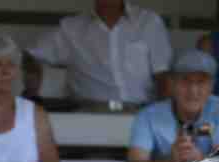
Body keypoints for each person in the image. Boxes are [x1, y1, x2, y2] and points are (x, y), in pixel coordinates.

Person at [23, 0, 173, 112]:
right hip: (89, 115)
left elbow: (163, 76)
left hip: (142, 114)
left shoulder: (148, 22)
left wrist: (161, 118)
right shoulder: (71, 29)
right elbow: (29, 54)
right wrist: (33, 82)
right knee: (95, 154)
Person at [125, 49, 219, 162]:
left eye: (201, 82)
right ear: (172, 83)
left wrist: (198, 161)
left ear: (212, 85)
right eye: (185, 81)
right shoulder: (147, 115)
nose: (193, 90)